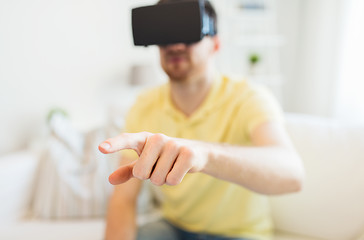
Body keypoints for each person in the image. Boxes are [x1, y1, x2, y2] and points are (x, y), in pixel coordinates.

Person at [98, 0, 305, 239]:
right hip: (173, 227)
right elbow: (123, 199)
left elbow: (292, 174)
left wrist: (205, 154)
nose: (175, 45)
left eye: (188, 32)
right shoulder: (144, 105)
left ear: (215, 44)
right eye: (166, 35)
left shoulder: (248, 97)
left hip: (238, 234)